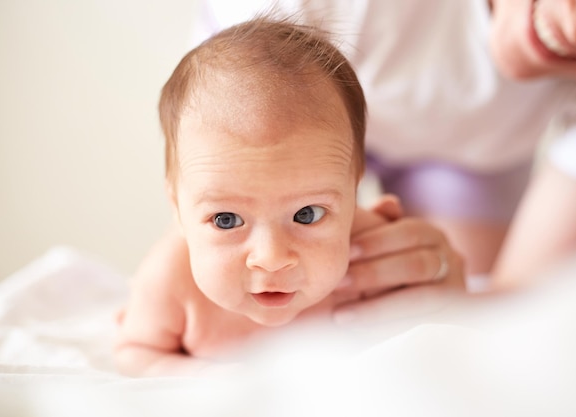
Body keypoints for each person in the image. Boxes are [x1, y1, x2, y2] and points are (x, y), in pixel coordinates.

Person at [129, 0, 576, 329]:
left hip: (474, 165)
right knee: (223, 290)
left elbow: (514, 311)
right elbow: (214, 155)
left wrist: (451, 296)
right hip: (285, 127)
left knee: (421, 307)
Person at [115, 16, 459, 377]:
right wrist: (209, 384)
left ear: (353, 196)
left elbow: (433, 321)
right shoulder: (170, 282)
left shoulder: (367, 253)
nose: (272, 258)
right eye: (226, 220)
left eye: (307, 214)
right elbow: (135, 351)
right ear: (178, 208)